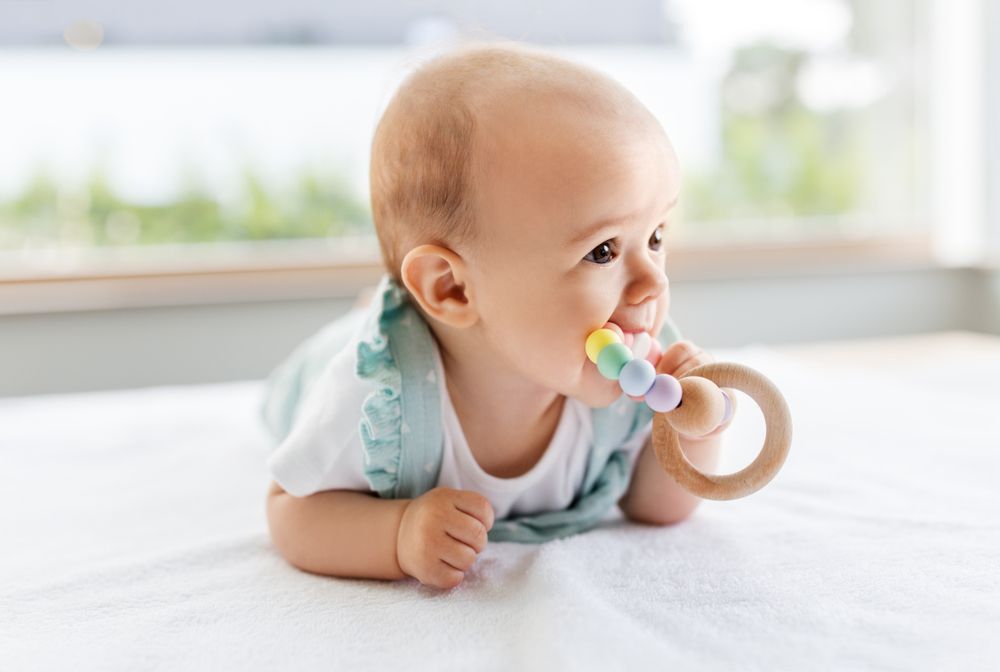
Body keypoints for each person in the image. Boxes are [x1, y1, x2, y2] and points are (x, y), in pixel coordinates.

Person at [263, 42, 736, 590]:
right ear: (454, 288)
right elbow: (291, 511)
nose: (653, 280)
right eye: (602, 251)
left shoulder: (630, 370)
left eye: (656, 237)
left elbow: (656, 507)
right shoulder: (375, 395)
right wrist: (396, 534)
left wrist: (692, 433)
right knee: (322, 364)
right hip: (327, 369)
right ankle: (370, 311)